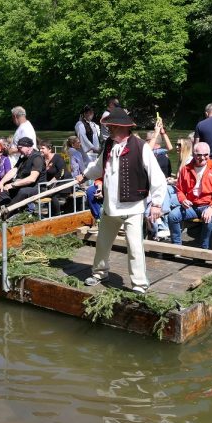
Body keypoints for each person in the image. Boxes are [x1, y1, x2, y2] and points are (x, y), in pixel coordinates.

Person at [76, 108, 166, 294]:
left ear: (121, 127)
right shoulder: (109, 145)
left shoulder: (141, 147)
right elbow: (99, 166)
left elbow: (157, 177)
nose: (109, 129)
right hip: (110, 207)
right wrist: (84, 176)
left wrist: (156, 203)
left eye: (112, 126)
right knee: (102, 243)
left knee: (134, 247)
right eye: (108, 126)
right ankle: (100, 273)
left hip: (133, 207)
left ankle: (139, 284)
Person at [167, 142, 212, 249]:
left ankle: (204, 250)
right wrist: (183, 200)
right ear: (193, 154)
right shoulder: (185, 169)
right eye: (199, 155)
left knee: (209, 220)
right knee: (172, 216)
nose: (202, 157)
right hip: (191, 205)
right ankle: (176, 247)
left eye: (205, 154)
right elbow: (179, 189)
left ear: (209, 154)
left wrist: (211, 207)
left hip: (208, 205)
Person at [0, 136, 46, 212]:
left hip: (37, 187)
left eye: (20, 148)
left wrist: (13, 185)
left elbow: (32, 179)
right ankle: (11, 210)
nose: (18, 150)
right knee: (1, 189)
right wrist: (1, 183)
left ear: (28, 147)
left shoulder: (37, 158)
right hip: (25, 185)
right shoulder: (23, 157)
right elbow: (13, 170)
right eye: (18, 148)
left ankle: (8, 213)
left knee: (22, 191)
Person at [39, 139, 72, 216]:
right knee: (43, 191)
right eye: (40, 148)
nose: (40, 150)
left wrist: (50, 183)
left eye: (43, 148)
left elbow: (61, 173)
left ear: (50, 149)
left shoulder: (58, 158)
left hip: (64, 182)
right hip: (52, 184)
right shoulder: (42, 159)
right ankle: (51, 213)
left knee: (51, 193)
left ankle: (57, 214)